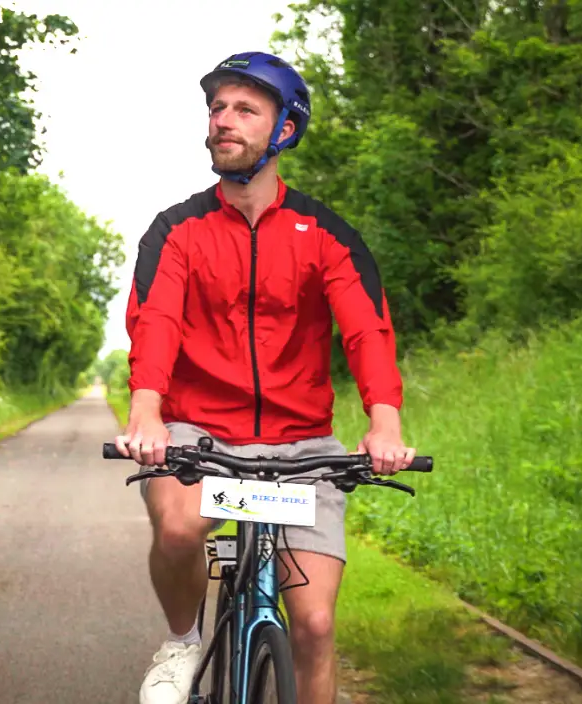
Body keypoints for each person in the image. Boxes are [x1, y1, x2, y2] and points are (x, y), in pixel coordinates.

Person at [113, 51, 417, 704]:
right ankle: (180, 642)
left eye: (244, 108)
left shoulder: (327, 234)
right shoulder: (177, 230)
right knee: (177, 529)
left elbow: (365, 329)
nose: (224, 119)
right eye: (217, 107)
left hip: (302, 448)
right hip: (200, 437)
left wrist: (384, 424)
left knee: (314, 623)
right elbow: (157, 318)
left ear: (284, 131)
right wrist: (147, 412)